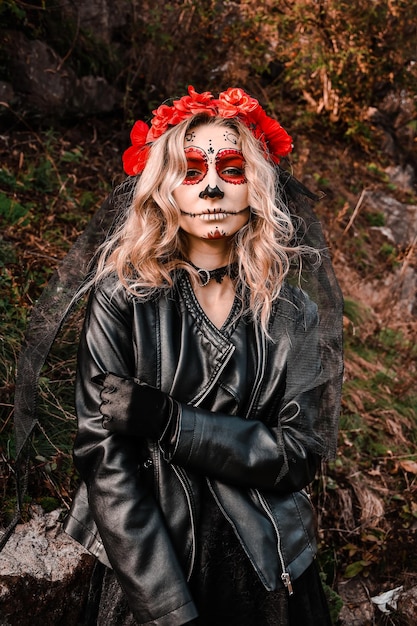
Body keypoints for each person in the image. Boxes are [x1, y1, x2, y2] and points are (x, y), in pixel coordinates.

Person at [63, 86, 343, 626]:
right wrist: (167, 607)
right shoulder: (124, 297)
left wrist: (171, 421)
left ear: (256, 185)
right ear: (164, 187)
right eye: (191, 171)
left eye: (232, 169)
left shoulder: (292, 312)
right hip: (148, 558)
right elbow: (105, 460)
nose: (212, 187)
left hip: (265, 567)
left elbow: (298, 454)